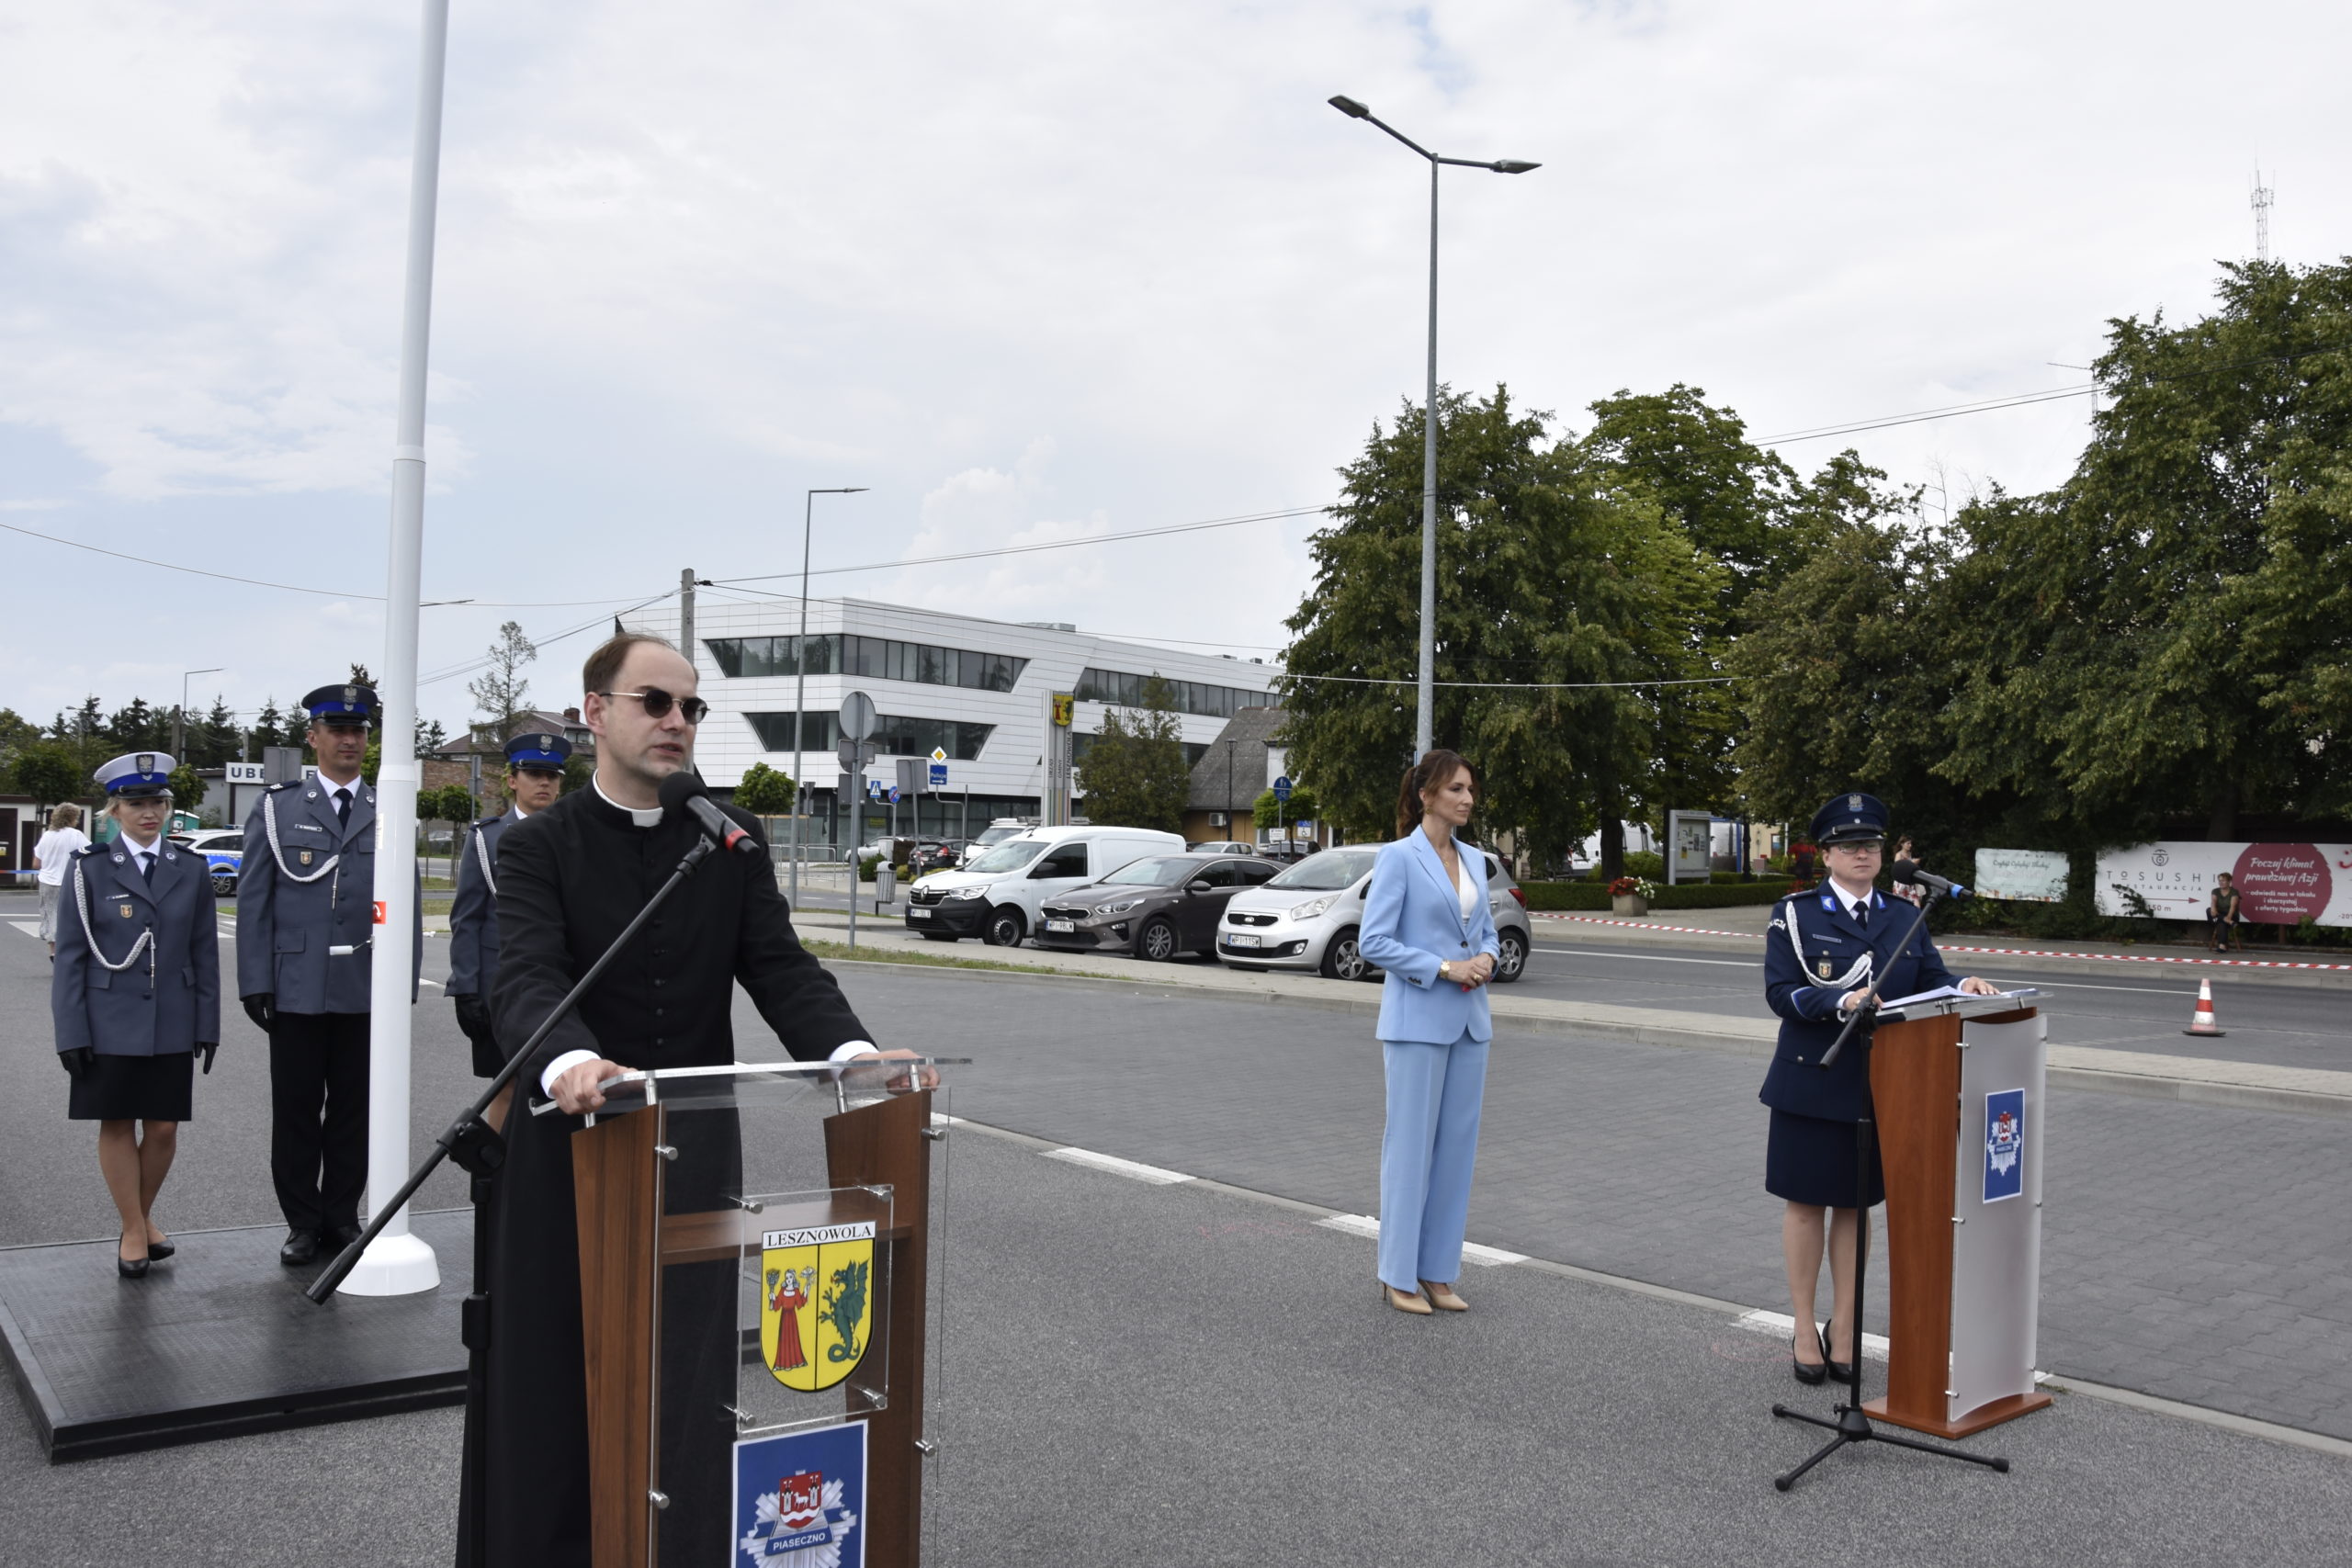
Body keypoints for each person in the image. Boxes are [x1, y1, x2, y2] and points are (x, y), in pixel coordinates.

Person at [469, 632, 922, 1568]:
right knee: (558, 1376)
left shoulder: (727, 839)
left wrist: (852, 1056)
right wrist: (569, 1065)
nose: (677, 722)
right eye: (655, 703)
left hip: (694, 1154)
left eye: (690, 708)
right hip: (571, 1151)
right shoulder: (537, 846)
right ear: (595, 712)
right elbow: (523, 978)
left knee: (686, 1378)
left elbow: (782, 970)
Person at [1759, 791, 2000, 1383]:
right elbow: (1780, 992)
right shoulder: (1795, 913)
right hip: (1813, 1077)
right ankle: (1800, 1324)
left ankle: (1844, 1326)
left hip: (1884, 1082)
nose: (1861, 853)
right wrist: (1840, 998)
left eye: (1870, 844)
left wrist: (1963, 983)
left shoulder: (1902, 913)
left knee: (1856, 1205)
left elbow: (1932, 978)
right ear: (1827, 853)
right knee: (1806, 1203)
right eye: (1848, 845)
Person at [236, 682, 420, 1268]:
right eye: (337, 730)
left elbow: (409, 903)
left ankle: (341, 1216)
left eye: (359, 730)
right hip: (294, 987)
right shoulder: (277, 807)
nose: (349, 739)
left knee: (354, 1109)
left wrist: (404, 984)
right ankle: (301, 1222)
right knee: (294, 1110)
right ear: (312, 738)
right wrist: (254, 980)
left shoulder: (389, 809)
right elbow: (255, 902)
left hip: (366, 987)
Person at [51, 754, 219, 1278]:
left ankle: (140, 1220)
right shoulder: (90, 869)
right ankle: (133, 1229)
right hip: (108, 1017)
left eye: (158, 803)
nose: (150, 813)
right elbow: (71, 959)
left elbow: (204, 952)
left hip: (172, 1015)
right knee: (118, 1121)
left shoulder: (189, 869)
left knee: (164, 1127)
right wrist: (70, 1031)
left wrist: (207, 1024)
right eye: (137, 804)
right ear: (115, 810)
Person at [1358, 750, 1501, 1316]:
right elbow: (1375, 942)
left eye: (1470, 789)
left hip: (1470, 1023)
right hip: (1417, 1021)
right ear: (1426, 795)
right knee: (1410, 1150)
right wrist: (1444, 967)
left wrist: (1487, 956)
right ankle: (1397, 1275)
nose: (1467, 798)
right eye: (1456, 789)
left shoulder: (1475, 859)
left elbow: (1486, 929)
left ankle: (1438, 1272)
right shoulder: (1398, 858)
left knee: (1456, 1155)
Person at [446, 730, 570, 1131]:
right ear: (513, 780)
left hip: (563, 986)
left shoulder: (575, 836)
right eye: (534, 773)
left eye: (552, 775)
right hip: (501, 990)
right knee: (507, 1088)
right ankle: (493, 1187)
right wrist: (465, 986)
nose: (544, 783)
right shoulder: (486, 838)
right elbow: (467, 918)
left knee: (561, 1092)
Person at [32, 803, 90, 960]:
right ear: (72, 818)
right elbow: (89, 854)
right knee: (71, 916)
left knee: (51, 915)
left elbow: (36, 864)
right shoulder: (76, 835)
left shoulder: (47, 835)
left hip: (47, 882)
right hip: (69, 881)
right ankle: (70, 951)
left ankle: (54, 951)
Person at [2207, 874, 2243, 953]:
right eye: (2219, 881)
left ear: (2229, 881)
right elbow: (2213, 902)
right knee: (2209, 910)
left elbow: (2233, 907)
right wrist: (2213, 909)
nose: (2221, 882)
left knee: (2221, 922)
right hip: (2219, 915)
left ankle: (2222, 946)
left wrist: (2229, 917)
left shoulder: (2234, 892)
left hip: (2232, 915)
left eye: (2223, 880)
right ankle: (2228, 922)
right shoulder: (2215, 891)